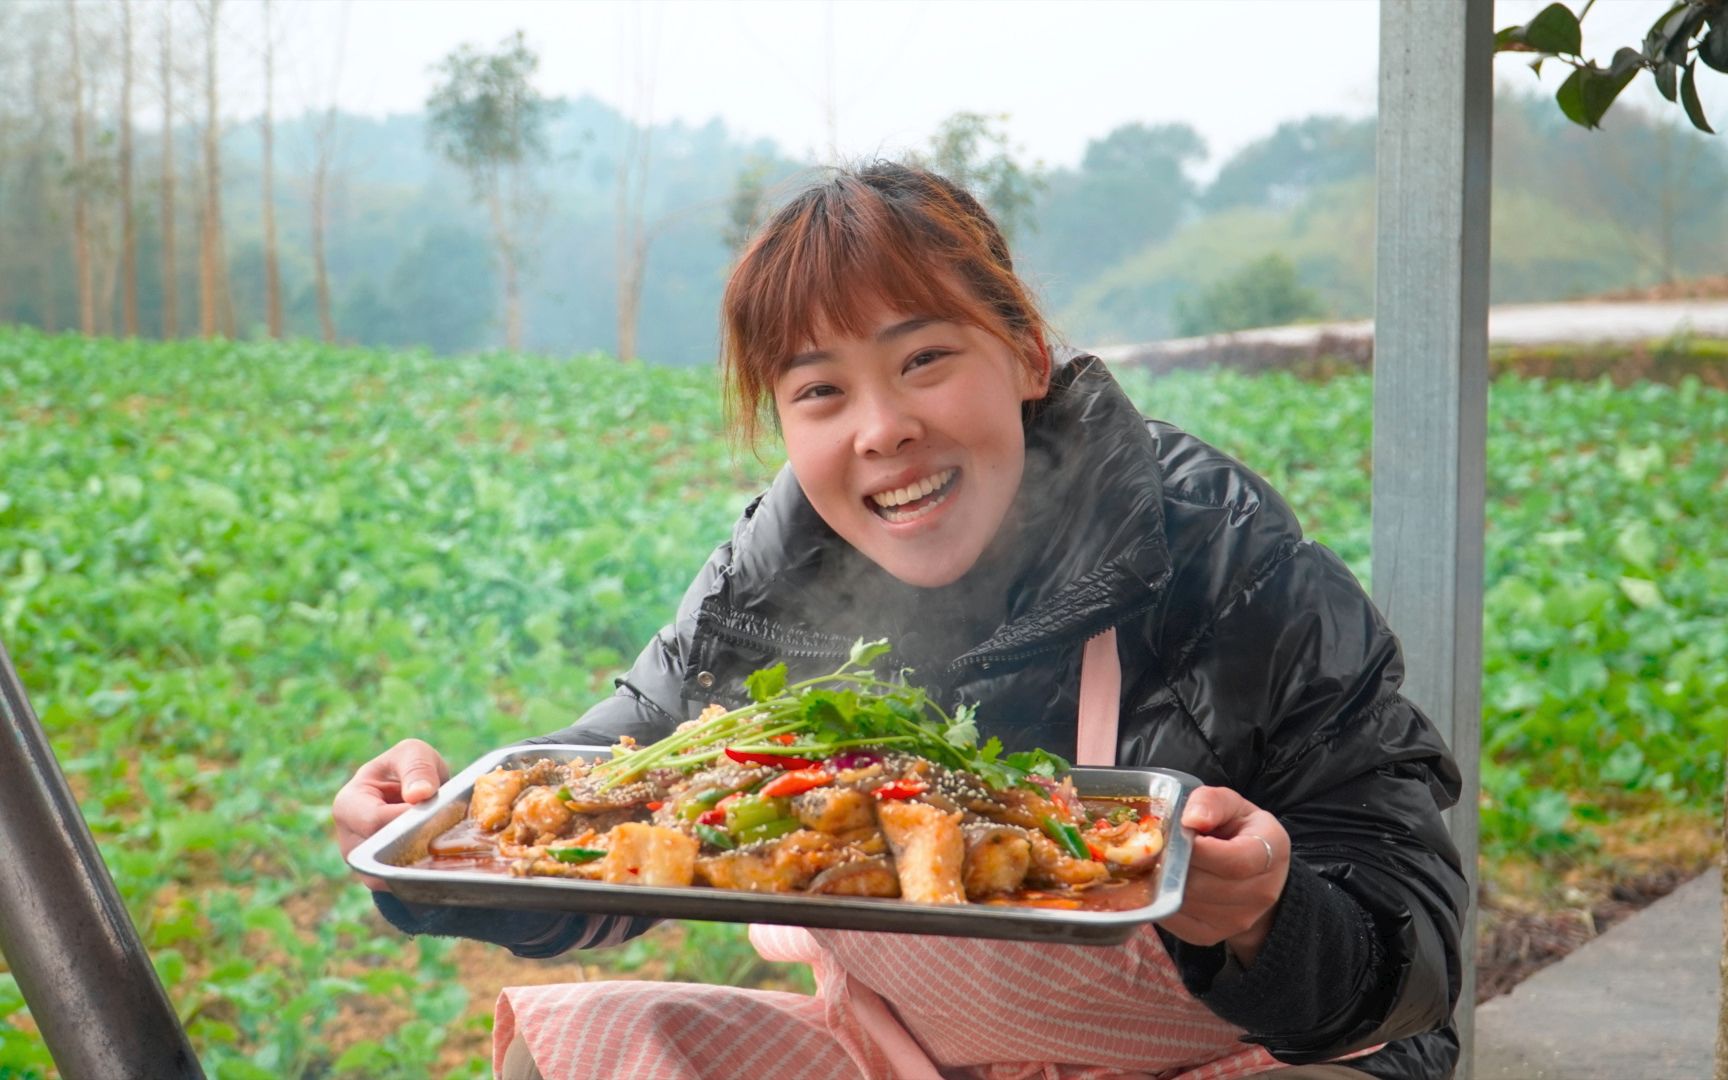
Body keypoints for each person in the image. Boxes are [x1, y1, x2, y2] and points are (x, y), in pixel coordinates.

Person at [333, 162, 1466, 1080]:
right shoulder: (770, 584)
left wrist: (1268, 915)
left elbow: (1411, 948)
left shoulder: (1218, 550)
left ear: (1026, 355)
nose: (882, 430)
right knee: (577, 1056)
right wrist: (424, 840)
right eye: (820, 391)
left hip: (1244, 1061)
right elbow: (608, 799)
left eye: (924, 359)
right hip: (916, 1061)